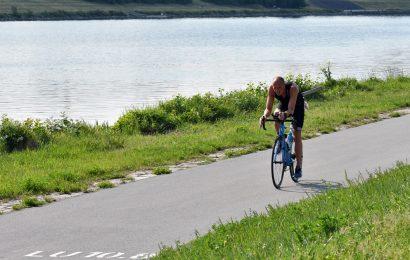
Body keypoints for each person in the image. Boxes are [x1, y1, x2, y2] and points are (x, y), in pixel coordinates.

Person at [259, 76, 305, 179]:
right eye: (275, 88)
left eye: (279, 87)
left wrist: (285, 114)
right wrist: (264, 116)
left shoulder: (293, 88)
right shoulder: (272, 88)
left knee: (296, 134)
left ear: (284, 86)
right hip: (284, 104)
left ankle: (298, 167)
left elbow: (291, 109)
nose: (277, 90)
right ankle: (281, 140)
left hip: (296, 106)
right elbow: (268, 108)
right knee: (276, 116)